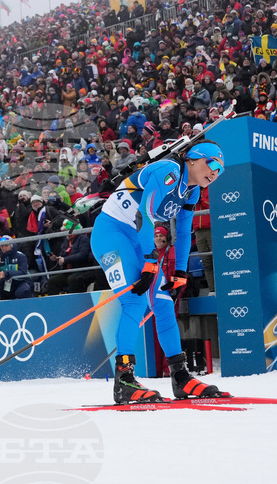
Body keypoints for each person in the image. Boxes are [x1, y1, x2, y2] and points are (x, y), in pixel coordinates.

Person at [90, 138, 226, 404]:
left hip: (135, 235)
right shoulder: (169, 171)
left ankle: (180, 377)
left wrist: (181, 273)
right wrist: (150, 263)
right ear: (194, 159)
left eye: (220, 170)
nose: (215, 173)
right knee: (134, 300)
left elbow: (185, 232)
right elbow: (145, 213)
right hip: (112, 233)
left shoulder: (192, 191)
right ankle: (124, 379)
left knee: (163, 302)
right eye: (212, 164)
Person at [0, 236, 33, 300]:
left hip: (21, 281)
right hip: (5, 283)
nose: (4, 248)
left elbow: (23, 272)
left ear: (11, 245)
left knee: (22, 291)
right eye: (2, 246)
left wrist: (6, 274)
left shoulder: (20, 256)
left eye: (6, 245)